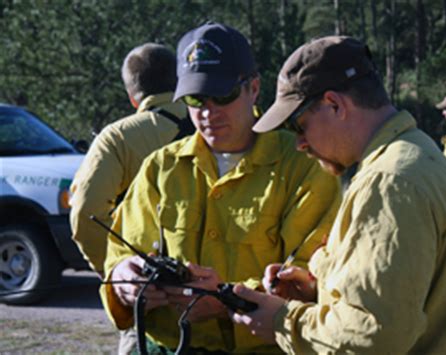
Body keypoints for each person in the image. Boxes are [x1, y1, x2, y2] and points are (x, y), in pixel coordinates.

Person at [100, 22, 341, 354]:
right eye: (195, 99)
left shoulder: (303, 166)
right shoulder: (161, 168)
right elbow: (119, 255)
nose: (207, 112)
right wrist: (124, 282)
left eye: (222, 95)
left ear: (253, 89)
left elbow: (311, 277)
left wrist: (226, 299)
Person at [228, 36, 446, 354]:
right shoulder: (417, 154)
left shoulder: (388, 183)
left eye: (297, 125)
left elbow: (371, 337)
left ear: (335, 105)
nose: (299, 144)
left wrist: (282, 321)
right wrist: (323, 288)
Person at [69, 43, 192, 355]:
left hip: (150, 300)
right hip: (217, 298)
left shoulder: (118, 137)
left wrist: (117, 272)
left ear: (132, 96)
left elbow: (85, 214)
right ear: (180, 81)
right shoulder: (222, 123)